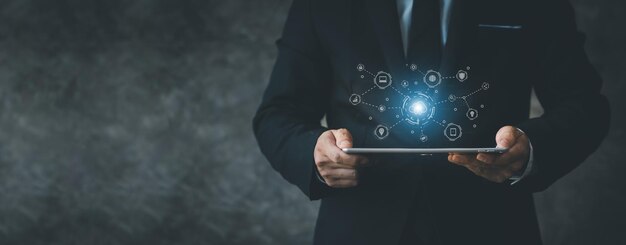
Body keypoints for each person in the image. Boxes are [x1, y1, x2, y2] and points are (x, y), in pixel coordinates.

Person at [253, 0, 610, 244]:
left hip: (491, 228)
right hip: (359, 227)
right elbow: (278, 113)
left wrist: (530, 150)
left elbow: (585, 105)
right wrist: (313, 154)